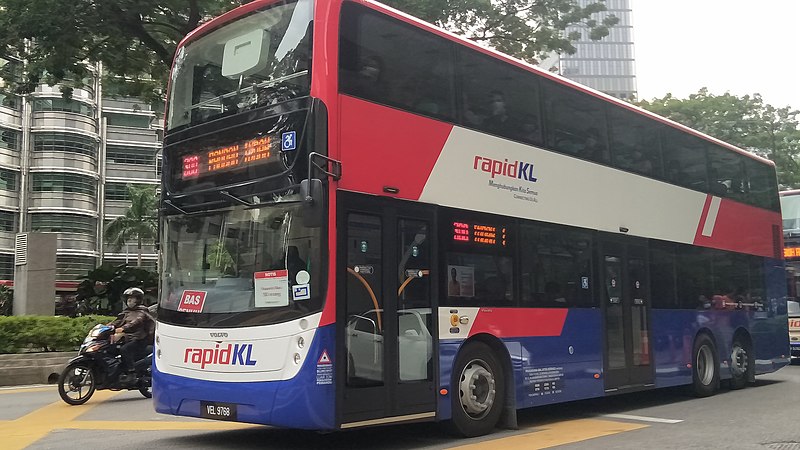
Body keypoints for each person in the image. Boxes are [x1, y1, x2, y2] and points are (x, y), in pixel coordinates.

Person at [111, 287, 155, 382]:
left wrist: (123, 328)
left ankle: (132, 372)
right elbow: (116, 321)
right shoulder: (126, 312)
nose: (129, 300)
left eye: (132, 298)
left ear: (138, 299)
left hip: (140, 339)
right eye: (128, 298)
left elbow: (136, 322)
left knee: (125, 349)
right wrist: (105, 327)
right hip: (128, 338)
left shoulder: (142, 312)